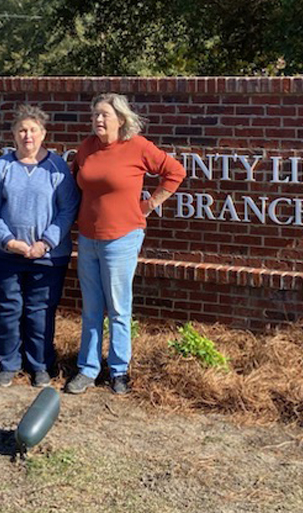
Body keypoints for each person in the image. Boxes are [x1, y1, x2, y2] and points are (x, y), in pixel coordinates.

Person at [65, 93, 185, 395]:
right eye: (95, 115)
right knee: (91, 308)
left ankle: (119, 371)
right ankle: (88, 369)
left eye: (104, 115)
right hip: (88, 238)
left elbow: (175, 172)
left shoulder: (138, 147)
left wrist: (150, 204)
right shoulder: (87, 147)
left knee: (118, 308)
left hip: (121, 238)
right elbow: (74, 177)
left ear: (121, 119)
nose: (98, 120)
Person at [0, 105, 80, 388]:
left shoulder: (56, 166)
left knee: (40, 312)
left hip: (47, 257)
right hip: (6, 255)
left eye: (33, 130)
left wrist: (45, 242)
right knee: (7, 310)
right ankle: (8, 364)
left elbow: (68, 207)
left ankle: (40, 365)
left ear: (43, 133)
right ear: (13, 134)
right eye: (22, 130)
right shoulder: (3, 166)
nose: (27, 136)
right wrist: (8, 241)